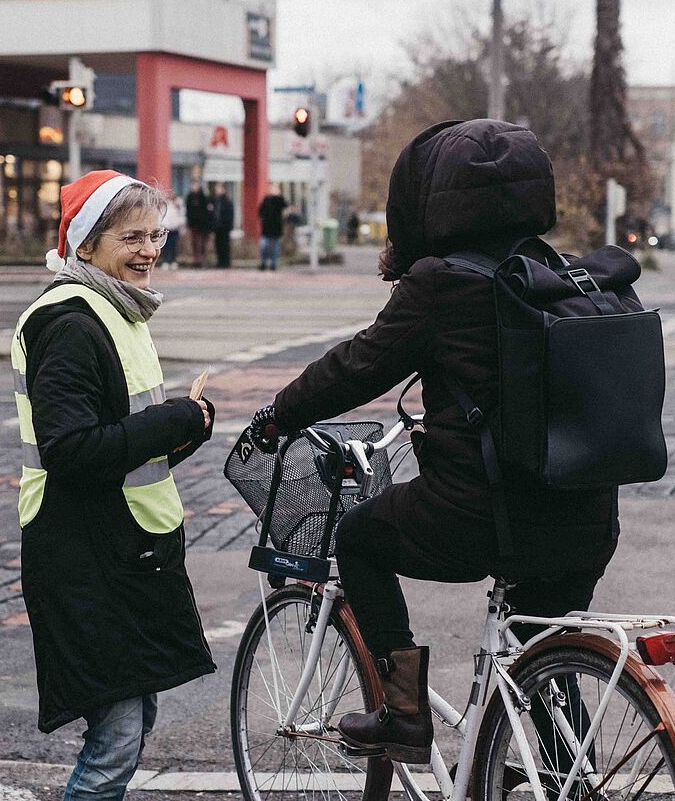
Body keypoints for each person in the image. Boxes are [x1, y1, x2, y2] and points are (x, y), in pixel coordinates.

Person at [246, 119, 620, 764]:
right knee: (538, 663)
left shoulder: (443, 281)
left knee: (358, 537)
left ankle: (403, 713)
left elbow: (358, 366)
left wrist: (281, 413)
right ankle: (570, 778)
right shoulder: (558, 274)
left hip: (482, 517)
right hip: (586, 518)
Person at [15, 170, 217, 800]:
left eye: (156, 235)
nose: (150, 250)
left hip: (119, 546)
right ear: (85, 243)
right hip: (84, 552)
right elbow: (71, 451)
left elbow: (120, 446)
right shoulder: (70, 323)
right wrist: (173, 421)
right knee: (116, 737)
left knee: (130, 721)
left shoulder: (116, 307)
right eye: (132, 237)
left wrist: (184, 431)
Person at [257, 184, 289, 271]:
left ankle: (273, 264)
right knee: (263, 246)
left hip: (276, 227)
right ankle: (263, 263)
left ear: (278, 190)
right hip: (266, 227)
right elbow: (260, 211)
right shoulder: (266, 199)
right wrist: (263, 218)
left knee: (275, 246)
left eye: (275, 189)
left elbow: (287, 208)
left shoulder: (281, 199)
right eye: (272, 189)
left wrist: (283, 218)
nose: (273, 190)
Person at [184, 180, 211, 268]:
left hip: (202, 225)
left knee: (202, 244)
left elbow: (207, 212)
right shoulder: (189, 197)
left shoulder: (203, 197)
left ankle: (202, 260)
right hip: (193, 225)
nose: (194, 187)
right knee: (194, 243)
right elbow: (188, 211)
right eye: (193, 185)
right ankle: (196, 260)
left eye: (195, 185)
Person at [210, 183, 234, 269]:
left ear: (223, 189)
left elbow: (230, 215)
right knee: (218, 245)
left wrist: (229, 226)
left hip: (225, 228)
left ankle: (226, 262)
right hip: (217, 227)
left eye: (219, 189)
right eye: (216, 189)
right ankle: (220, 262)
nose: (217, 190)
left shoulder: (227, 201)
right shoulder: (214, 200)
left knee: (225, 246)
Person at [162, 192, 186, 269]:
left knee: (174, 246)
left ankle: (173, 261)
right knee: (166, 246)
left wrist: (181, 225)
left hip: (175, 228)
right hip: (165, 228)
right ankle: (166, 261)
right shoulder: (164, 204)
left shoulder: (178, 203)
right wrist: (162, 225)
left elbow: (182, 215)